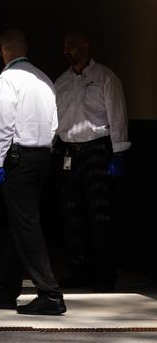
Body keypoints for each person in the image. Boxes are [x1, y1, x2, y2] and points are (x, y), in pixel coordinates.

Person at [0, 28, 66, 316]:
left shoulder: (8, 78)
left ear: (1, 50)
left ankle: (50, 293)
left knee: (27, 225)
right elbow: (54, 124)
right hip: (43, 157)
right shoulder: (44, 79)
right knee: (20, 223)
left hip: (18, 159)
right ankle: (6, 289)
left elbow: (3, 123)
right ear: (27, 48)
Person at [55, 32, 130, 292]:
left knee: (99, 213)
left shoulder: (105, 78)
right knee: (71, 213)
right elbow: (55, 121)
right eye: (65, 45)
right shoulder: (62, 82)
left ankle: (104, 273)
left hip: (96, 148)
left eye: (73, 43)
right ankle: (79, 270)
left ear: (87, 43)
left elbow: (117, 115)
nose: (68, 49)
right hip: (67, 151)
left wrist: (118, 151)